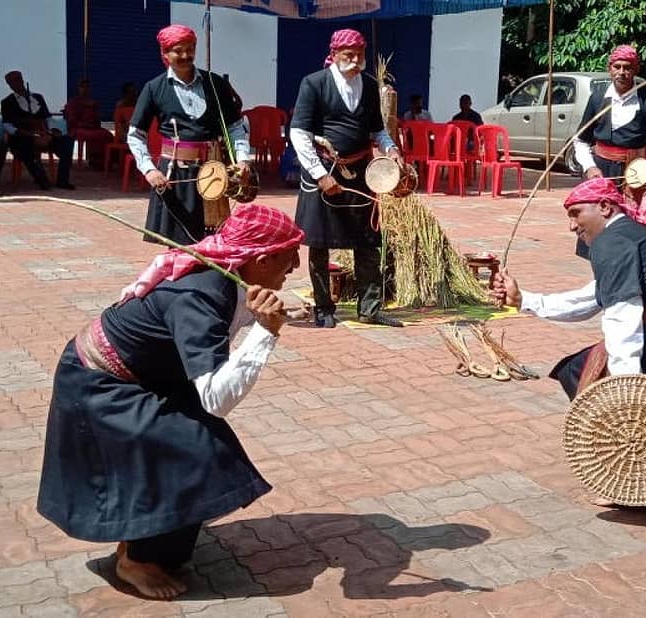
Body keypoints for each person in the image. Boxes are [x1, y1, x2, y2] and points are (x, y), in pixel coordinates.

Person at [37, 203, 305, 600]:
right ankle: (136, 559)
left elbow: (231, 318)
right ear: (262, 259)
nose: (296, 265)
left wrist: (273, 314)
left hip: (142, 375)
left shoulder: (225, 272)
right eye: (289, 257)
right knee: (197, 449)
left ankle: (151, 544)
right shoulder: (199, 295)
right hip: (98, 383)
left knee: (197, 444)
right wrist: (266, 331)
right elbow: (216, 398)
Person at [492, 177, 646, 463]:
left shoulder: (611, 240)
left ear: (604, 207)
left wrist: (623, 387)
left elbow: (622, 314)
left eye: (576, 213)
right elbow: (593, 297)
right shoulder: (629, 234)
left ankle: (624, 465)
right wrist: (524, 301)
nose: (571, 225)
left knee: (579, 370)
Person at [289, 28, 404, 328]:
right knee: (320, 243)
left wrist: (391, 151)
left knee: (368, 241)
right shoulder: (314, 83)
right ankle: (324, 308)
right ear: (335, 54)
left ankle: (370, 308)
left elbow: (377, 130)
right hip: (325, 172)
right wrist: (319, 174)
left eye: (359, 55)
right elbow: (299, 133)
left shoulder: (368, 84)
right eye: (347, 55)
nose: (354, 61)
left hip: (360, 173)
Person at [127, 24, 251, 245]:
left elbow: (235, 127)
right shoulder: (154, 88)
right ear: (165, 54)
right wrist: (149, 170)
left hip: (213, 173)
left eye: (190, 49)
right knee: (177, 244)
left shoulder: (216, 84)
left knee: (215, 241)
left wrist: (242, 160)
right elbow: (135, 135)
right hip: (174, 176)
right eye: (178, 50)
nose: (186, 55)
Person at [574, 45, 646, 192]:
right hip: (602, 173)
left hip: (638, 173)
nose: (621, 72)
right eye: (617, 67)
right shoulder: (597, 98)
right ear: (610, 69)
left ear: (636, 70)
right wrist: (590, 167)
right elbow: (581, 140)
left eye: (627, 68)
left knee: (633, 214)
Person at [1, 70, 75, 190]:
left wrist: (53, 129)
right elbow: (7, 125)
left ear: (22, 80)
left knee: (67, 142)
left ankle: (63, 180)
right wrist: (22, 132)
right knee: (27, 146)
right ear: (9, 85)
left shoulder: (38, 98)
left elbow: (48, 118)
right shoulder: (7, 102)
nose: (16, 83)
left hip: (43, 133)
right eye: (12, 82)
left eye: (18, 79)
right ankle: (41, 179)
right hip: (22, 136)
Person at [63, 78, 113, 170]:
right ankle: (93, 161)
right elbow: (72, 119)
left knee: (108, 135)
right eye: (82, 87)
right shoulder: (73, 102)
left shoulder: (93, 102)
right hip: (78, 128)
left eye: (87, 87)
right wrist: (84, 125)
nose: (85, 89)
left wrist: (94, 123)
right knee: (94, 135)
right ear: (78, 89)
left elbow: (97, 118)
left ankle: (101, 162)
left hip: (93, 128)